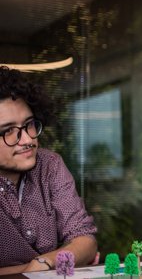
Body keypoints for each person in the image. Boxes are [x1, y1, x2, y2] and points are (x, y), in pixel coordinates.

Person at [0, 66, 98, 274]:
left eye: (29, 124)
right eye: (8, 131)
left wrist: (44, 262)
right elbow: (76, 254)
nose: (28, 139)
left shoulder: (49, 165)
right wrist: (58, 260)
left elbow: (86, 243)